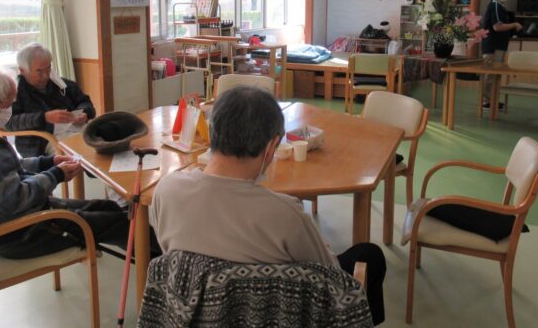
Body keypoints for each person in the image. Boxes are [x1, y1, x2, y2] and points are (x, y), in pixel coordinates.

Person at [150, 86, 387, 325]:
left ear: (212, 133)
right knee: (370, 254)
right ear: (272, 146)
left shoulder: (167, 191)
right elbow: (329, 275)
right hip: (273, 314)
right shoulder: (285, 214)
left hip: (199, 315)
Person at [0, 66, 128, 259]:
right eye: (5, 107)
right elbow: (16, 199)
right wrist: (56, 174)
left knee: (109, 208)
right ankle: (151, 266)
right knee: (122, 224)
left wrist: (46, 163)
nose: (6, 113)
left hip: (8, 218)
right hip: (20, 231)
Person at [6, 43, 96, 157]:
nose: (45, 75)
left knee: (105, 139)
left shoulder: (62, 84)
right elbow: (9, 122)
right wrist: (44, 117)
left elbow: (85, 102)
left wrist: (85, 113)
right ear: (22, 70)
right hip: (41, 142)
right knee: (80, 154)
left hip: (75, 130)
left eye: (48, 68)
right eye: (39, 71)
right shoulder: (14, 92)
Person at [481, 0, 523, 109]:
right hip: (493, 46)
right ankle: (486, 101)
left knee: (494, 74)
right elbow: (497, 27)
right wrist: (514, 24)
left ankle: (492, 99)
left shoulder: (500, 6)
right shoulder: (495, 6)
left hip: (499, 46)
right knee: (489, 74)